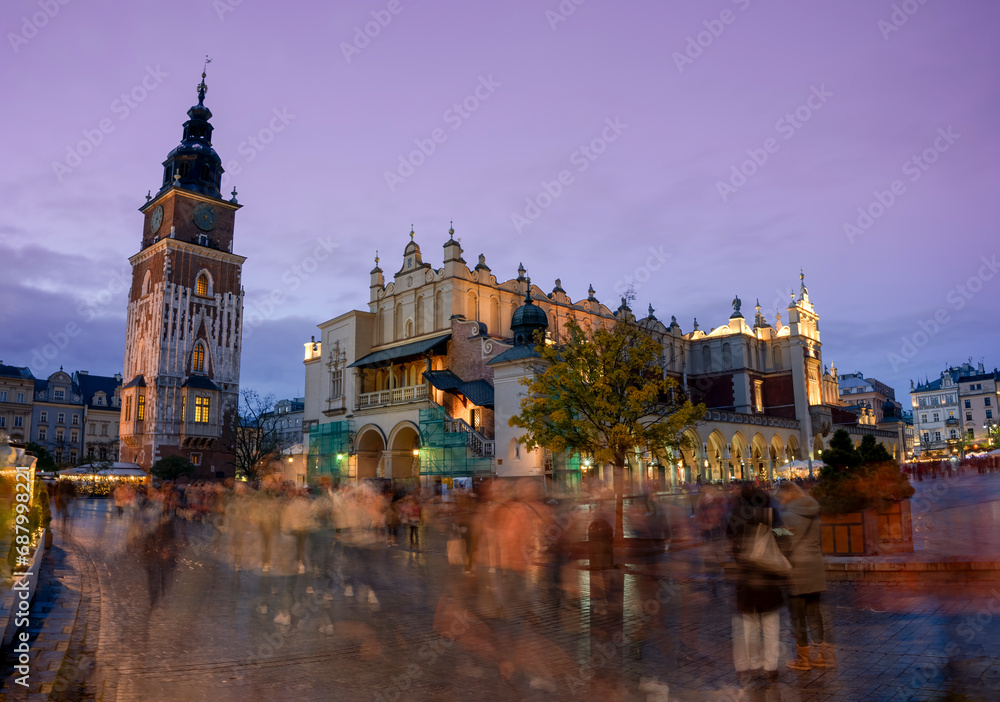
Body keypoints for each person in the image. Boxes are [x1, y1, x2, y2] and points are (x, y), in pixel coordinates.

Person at [726, 484, 786, 688]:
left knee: (750, 627)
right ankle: (771, 667)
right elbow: (783, 537)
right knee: (771, 626)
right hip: (769, 579)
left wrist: (740, 558)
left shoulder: (737, 515)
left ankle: (754, 663)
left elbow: (730, 540)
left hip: (747, 580)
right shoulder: (771, 514)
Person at [777, 481, 835, 670]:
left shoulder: (787, 517)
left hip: (797, 570)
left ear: (788, 496)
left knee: (797, 616)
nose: (780, 501)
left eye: (782, 497)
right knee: (814, 613)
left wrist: (772, 529)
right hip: (815, 568)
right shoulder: (814, 515)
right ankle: (820, 657)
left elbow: (782, 540)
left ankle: (802, 659)